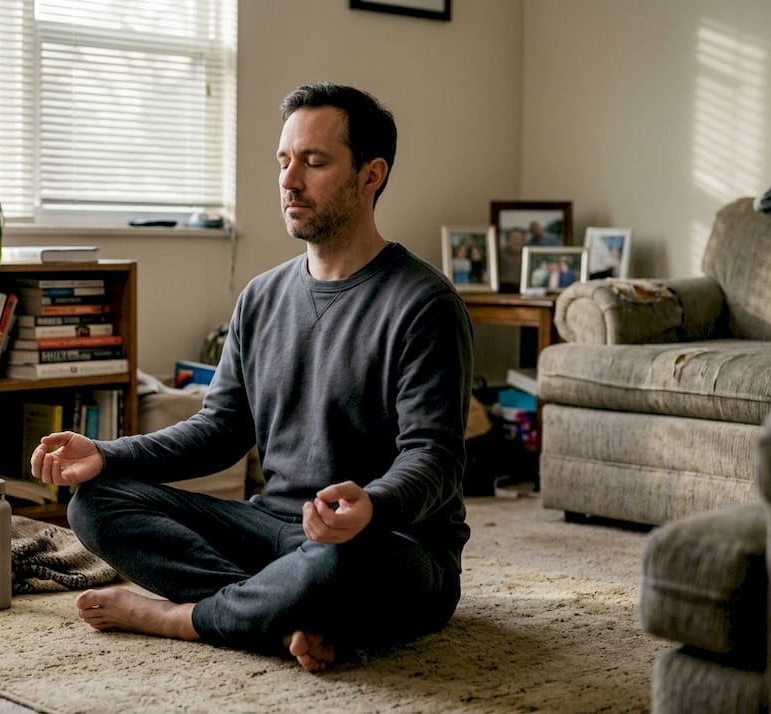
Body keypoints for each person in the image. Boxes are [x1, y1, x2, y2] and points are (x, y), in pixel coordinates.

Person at [30, 81, 474, 673]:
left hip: (387, 544)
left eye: (315, 162)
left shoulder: (425, 303)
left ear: (371, 175)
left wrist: (371, 505)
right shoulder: (262, 296)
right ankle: (288, 614)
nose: (290, 180)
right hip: (270, 527)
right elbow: (220, 430)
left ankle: (184, 617)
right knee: (95, 503)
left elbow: (435, 458)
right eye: (284, 161)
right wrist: (106, 455)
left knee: (331, 567)